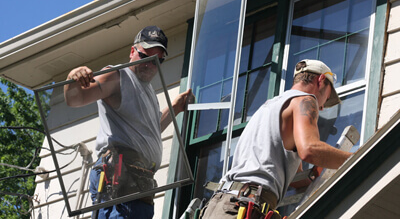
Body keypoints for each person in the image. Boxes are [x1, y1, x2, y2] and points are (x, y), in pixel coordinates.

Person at [64, 26, 192, 219]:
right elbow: (75, 99)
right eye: (145, 57)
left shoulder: (148, 92)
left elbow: (151, 130)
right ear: (133, 51)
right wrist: (73, 77)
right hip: (118, 178)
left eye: (157, 61)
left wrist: (174, 108)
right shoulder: (117, 76)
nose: (150, 65)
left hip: (140, 184)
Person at [200, 59, 353, 219]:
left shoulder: (267, 108)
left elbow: (293, 176)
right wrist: (355, 159)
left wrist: (317, 180)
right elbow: (309, 150)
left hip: (219, 205)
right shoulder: (306, 100)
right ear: (321, 80)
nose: (322, 107)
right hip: (243, 206)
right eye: (327, 99)